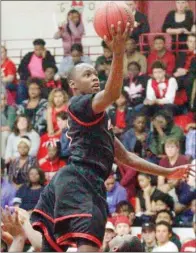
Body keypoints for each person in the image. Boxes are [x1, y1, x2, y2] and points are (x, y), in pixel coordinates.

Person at [30, 22, 193, 252]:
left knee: (51, 247)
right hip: (80, 181)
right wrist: (118, 52)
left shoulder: (100, 120)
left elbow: (127, 157)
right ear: (73, 84)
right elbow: (113, 92)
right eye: (88, 75)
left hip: (72, 182)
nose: (95, 78)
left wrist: (166, 172)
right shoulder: (79, 104)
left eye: (96, 74)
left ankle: (17, 235)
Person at [0, 93, 16, 159]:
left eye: (2, 99)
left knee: (5, 134)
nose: (1, 101)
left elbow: (9, 127)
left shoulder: (10, 109)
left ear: (5, 100)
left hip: (8, 132)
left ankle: (2, 159)